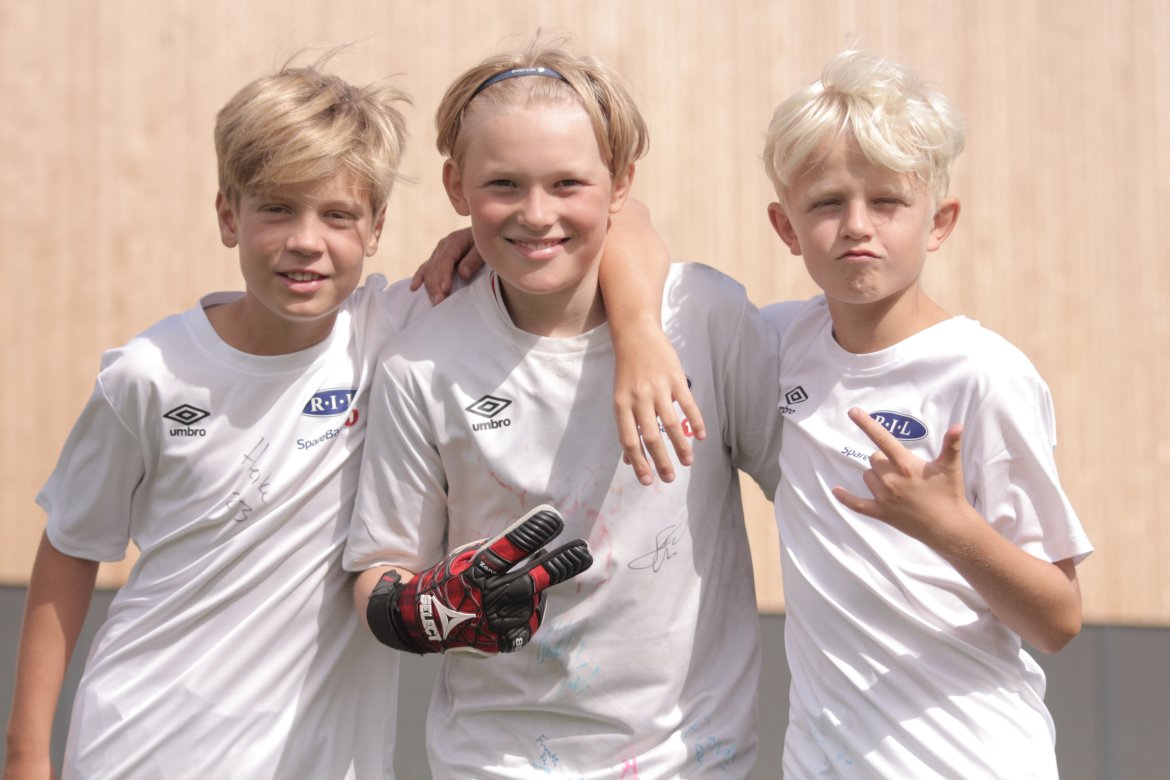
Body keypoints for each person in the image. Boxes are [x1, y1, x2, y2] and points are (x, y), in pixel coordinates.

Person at [3, 54, 698, 780]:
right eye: (276, 208)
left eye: (337, 215)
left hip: (328, 762)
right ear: (227, 215)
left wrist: (633, 327)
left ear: (375, 228)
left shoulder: (399, 332)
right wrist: (24, 756)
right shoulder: (146, 375)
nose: (306, 240)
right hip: (141, 750)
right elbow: (71, 548)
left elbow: (624, 218)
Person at [345, 39, 785, 778]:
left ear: (620, 184)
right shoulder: (419, 363)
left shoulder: (706, 319)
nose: (536, 213)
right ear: (456, 186)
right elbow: (380, 570)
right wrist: (423, 611)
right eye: (503, 184)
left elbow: (811, 494)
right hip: (493, 764)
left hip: (693, 761)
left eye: (567, 183)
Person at [760, 50, 1094, 778]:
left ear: (939, 222)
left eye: (887, 202)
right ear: (786, 228)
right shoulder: (775, 345)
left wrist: (951, 529)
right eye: (826, 203)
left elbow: (1058, 620)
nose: (857, 226)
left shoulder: (985, 375)